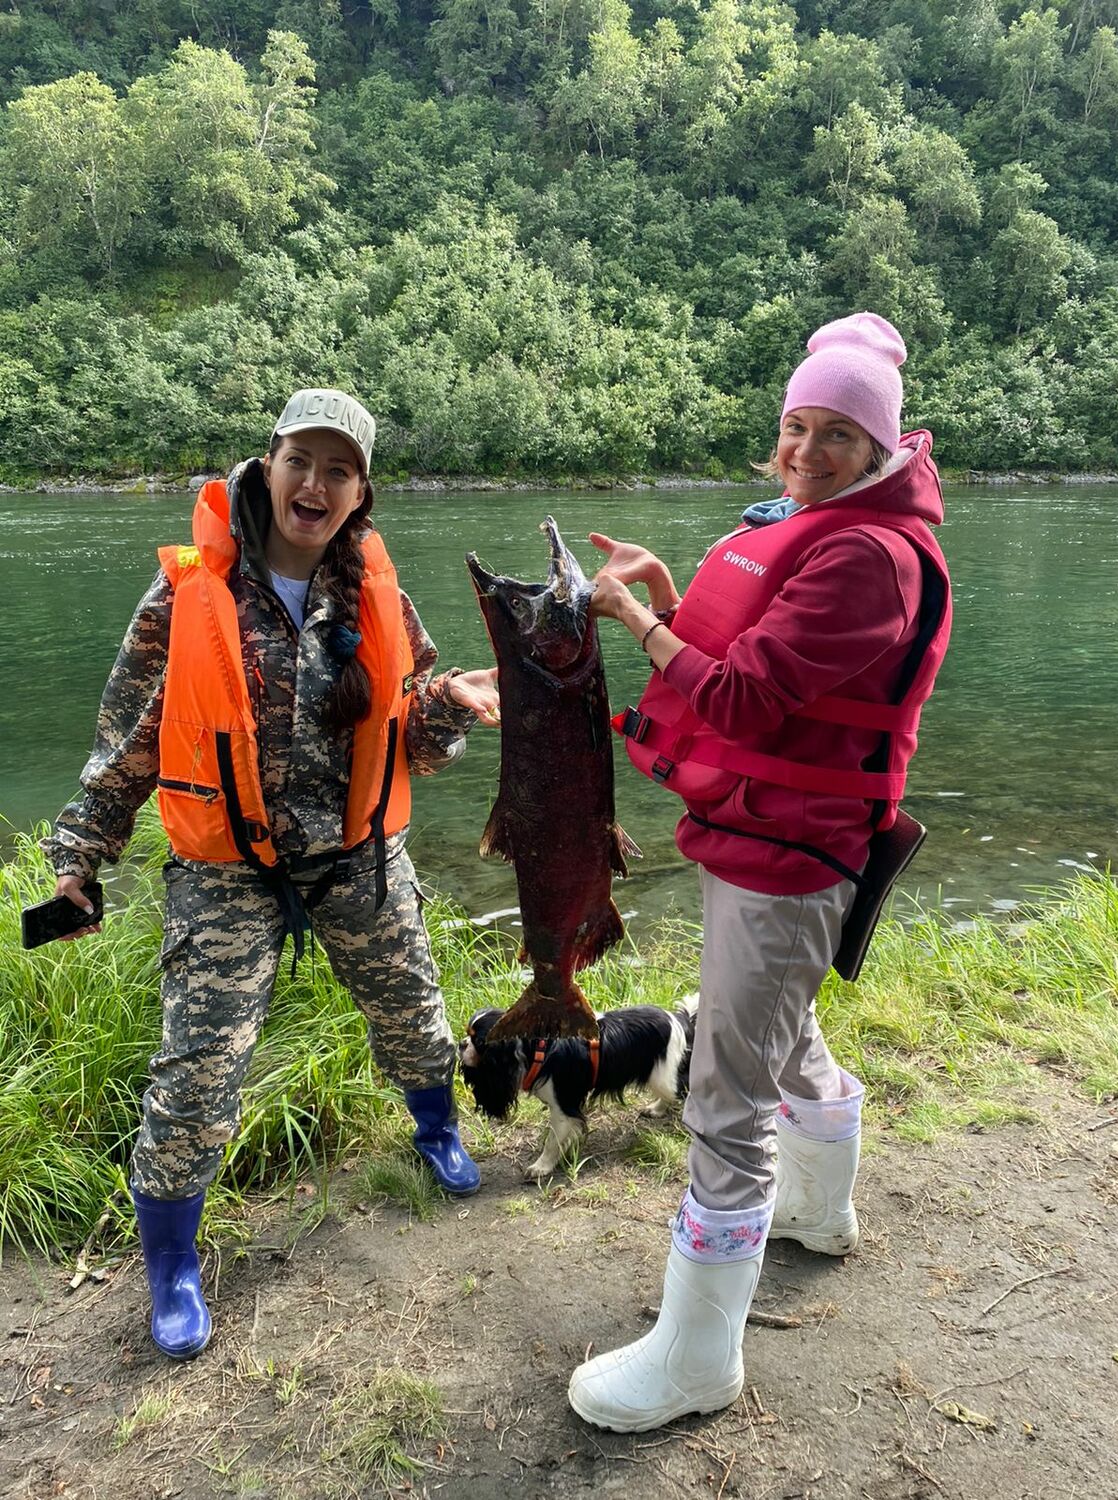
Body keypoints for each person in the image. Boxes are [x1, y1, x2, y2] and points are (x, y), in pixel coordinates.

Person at [41, 388, 501, 1361]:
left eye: (340, 470)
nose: (316, 484)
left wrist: (449, 703)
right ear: (268, 464)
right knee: (198, 1068)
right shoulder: (187, 589)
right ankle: (172, 1265)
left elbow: (412, 743)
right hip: (228, 868)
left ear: (360, 492)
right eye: (302, 461)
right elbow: (127, 742)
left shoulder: (378, 593)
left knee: (413, 1010)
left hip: (355, 853)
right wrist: (78, 860)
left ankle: (436, 1131)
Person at [567, 313, 952, 1432]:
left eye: (838, 434)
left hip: (792, 853)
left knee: (727, 1098)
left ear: (881, 448)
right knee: (783, 1026)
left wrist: (632, 618)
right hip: (762, 832)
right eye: (796, 425)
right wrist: (667, 600)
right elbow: (746, 660)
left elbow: (738, 698)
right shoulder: (824, 529)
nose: (806, 451)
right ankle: (819, 1216)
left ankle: (697, 1362)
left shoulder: (871, 557)